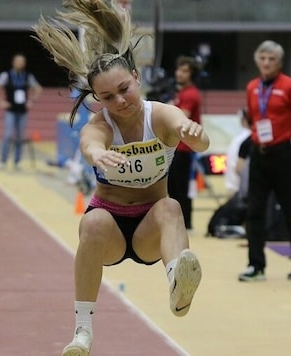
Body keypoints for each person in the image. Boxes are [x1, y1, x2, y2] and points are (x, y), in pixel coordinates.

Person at [33, 1, 210, 354]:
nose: (120, 101)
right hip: (110, 229)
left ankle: (178, 281)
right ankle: (83, 332)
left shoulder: (160, 116)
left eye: (124, 89)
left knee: (171, 207)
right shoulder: (101, 125)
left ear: (137, 78)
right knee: (94, 221)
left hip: (150, 228)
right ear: (97, 99)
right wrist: (96, 153)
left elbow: (199, 140)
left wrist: (193, 133)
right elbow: (88, 142)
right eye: (107, 97)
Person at [238, 40, 291, 282]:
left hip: (284, 154)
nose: (267, 63)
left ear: (279, 62)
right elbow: (251, 118)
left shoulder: (288, 86)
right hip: (259, 155)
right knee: (254, 211)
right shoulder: (252, 87)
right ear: (257, 60)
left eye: (271, 59)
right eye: (263, 58)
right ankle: (255, 265)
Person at [0, 53, 43, 170]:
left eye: (22, 61)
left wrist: (32, 101)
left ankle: (17, 161)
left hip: (22, 111)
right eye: (18, 61)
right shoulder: (6, 75)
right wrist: (0, 102)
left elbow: (38, 88)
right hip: (10, 111)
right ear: (13, 62)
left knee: (20, 137)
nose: (20, 64)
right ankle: (3, 160)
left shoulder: (27, 76)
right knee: (7, 135)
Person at [167, 56, 202, 230]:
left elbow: (182, 118)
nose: (179, 73)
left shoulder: (190, 94)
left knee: (181, 189)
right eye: (178, 69)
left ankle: (186, 223)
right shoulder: (180, 93)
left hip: (184, 149)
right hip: (176, 148)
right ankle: (177, 221)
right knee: (172, 188)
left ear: (191, 74)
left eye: (185, 70)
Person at [224, 108, 252, 196]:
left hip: (235, 187)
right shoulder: (246, 139)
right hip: (242, 190)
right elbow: (239, 167)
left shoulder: (238, 139)